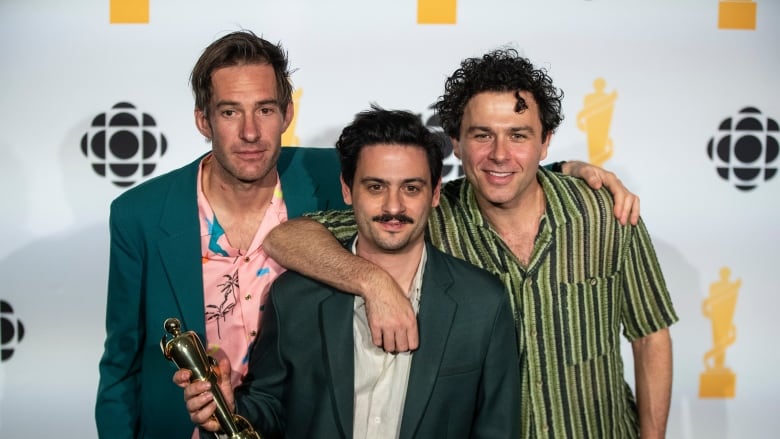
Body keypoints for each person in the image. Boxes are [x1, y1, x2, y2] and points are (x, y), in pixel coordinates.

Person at [264, 49, 678, 438]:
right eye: (482, 136)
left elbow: (651, 336)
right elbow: (287, 237)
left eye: (519, 136)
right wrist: (372, 281)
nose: (500, 154)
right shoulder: (427, 210)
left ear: (545, 141)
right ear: (457, 144)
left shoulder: (603, 212)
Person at [175, 106, 521, 438]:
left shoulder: (482, 304)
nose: (393, 206)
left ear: (435, 194)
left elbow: (497, 429)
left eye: (411, 188)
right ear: (346, 190)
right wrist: (226, 409)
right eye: (375, 187)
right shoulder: (294, 297)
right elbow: (270, 410)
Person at [95, 30, 348, 438]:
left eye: (264, 110)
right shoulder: (139, 214)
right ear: (203, 119)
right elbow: (122, 364)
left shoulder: (338, 180)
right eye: (230, 112)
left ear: (287, 114)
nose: (250, 132)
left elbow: (415, 195)